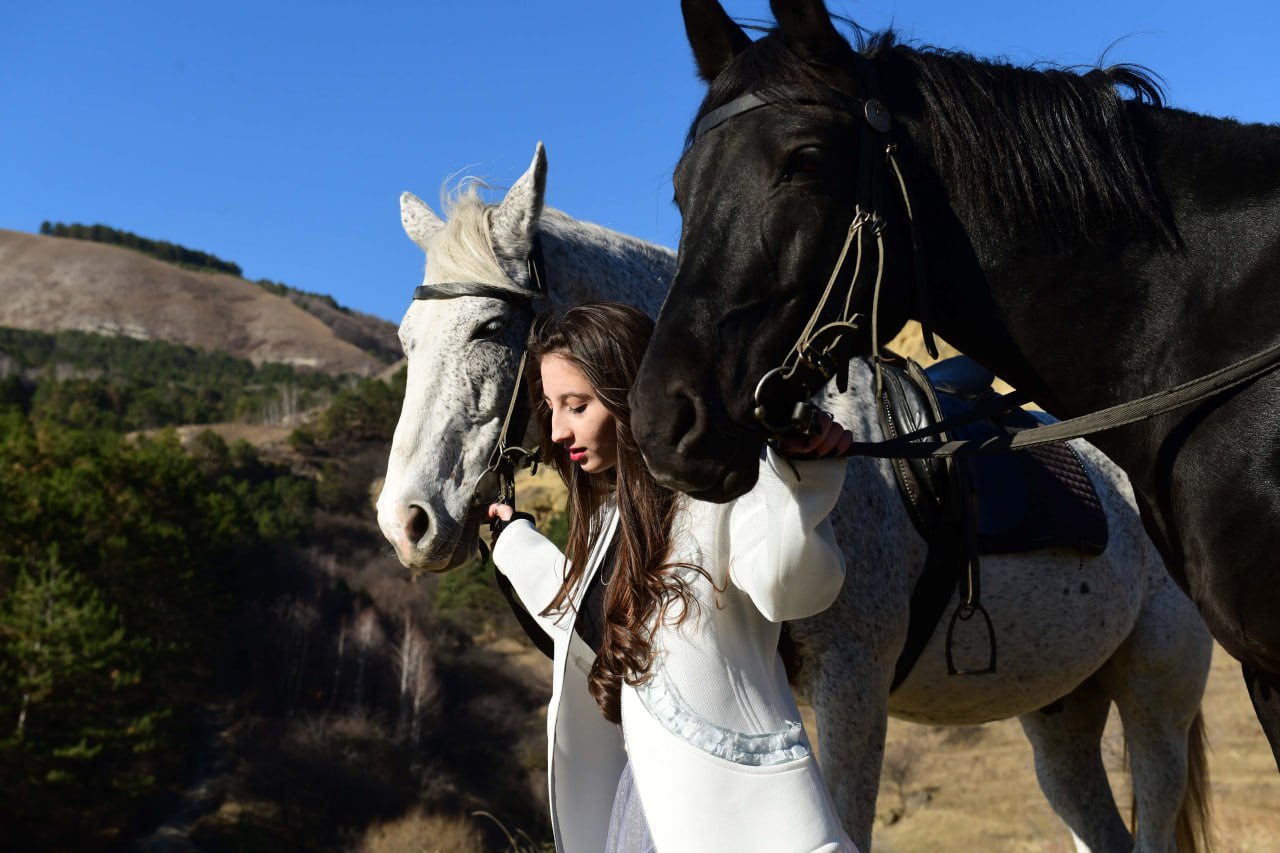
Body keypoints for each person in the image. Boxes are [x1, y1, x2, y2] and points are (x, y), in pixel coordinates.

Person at [488, 302, 857, 852]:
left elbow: (794, 588)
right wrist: (514, 540)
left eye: (577, 404)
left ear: (631, 393)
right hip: (640, 812)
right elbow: (583, 615)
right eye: (550, 407)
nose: (559, 430)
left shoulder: (724, 491)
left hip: (745, 822)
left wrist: (800, 482)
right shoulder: (613, 520)